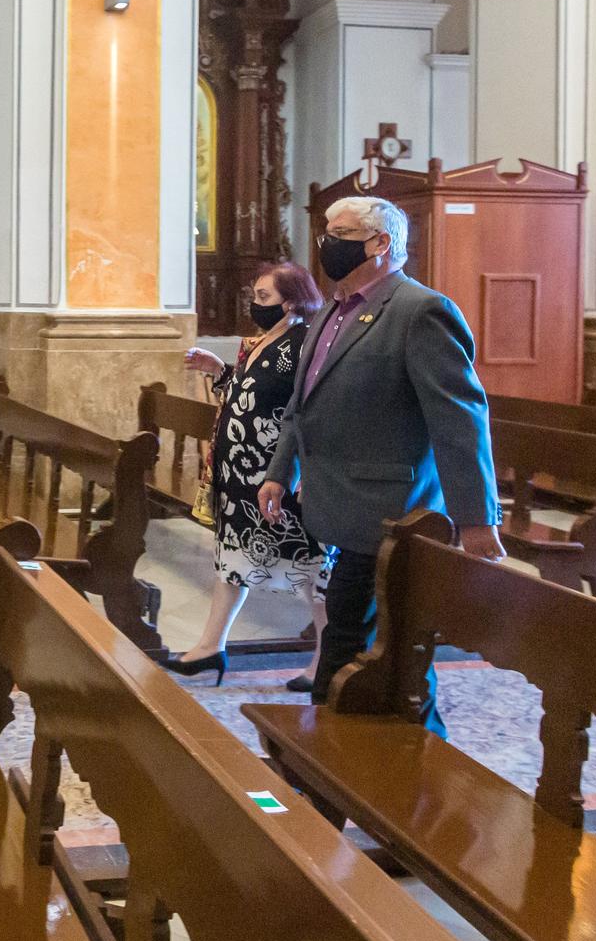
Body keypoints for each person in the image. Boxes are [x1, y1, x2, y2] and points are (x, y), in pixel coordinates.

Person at [259, 195, 501, 737]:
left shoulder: (421, 311)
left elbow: (460, 419)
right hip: (340, 504)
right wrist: (281, 470)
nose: (327, 244)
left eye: (340, 233)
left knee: (373, 645)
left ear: (381, 243)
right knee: (361, 640)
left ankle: (357, 746)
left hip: (392, 511)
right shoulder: (331, 311)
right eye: (326, 232)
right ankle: (339, 744)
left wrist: (476, 518)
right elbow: (304, 403)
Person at [169, 263, 332, 689]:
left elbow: (305, 410)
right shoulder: (260, 342)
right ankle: (211, 646)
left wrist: (297, 469)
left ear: (291, 301)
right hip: (240, 476)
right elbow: (248, 396)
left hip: (276, 477)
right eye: (255, 296)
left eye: (263, 297)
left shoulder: (304, 344)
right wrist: (219, 372)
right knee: (232, 560)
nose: (254, 305)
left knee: (309, 568)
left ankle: (325, 659)